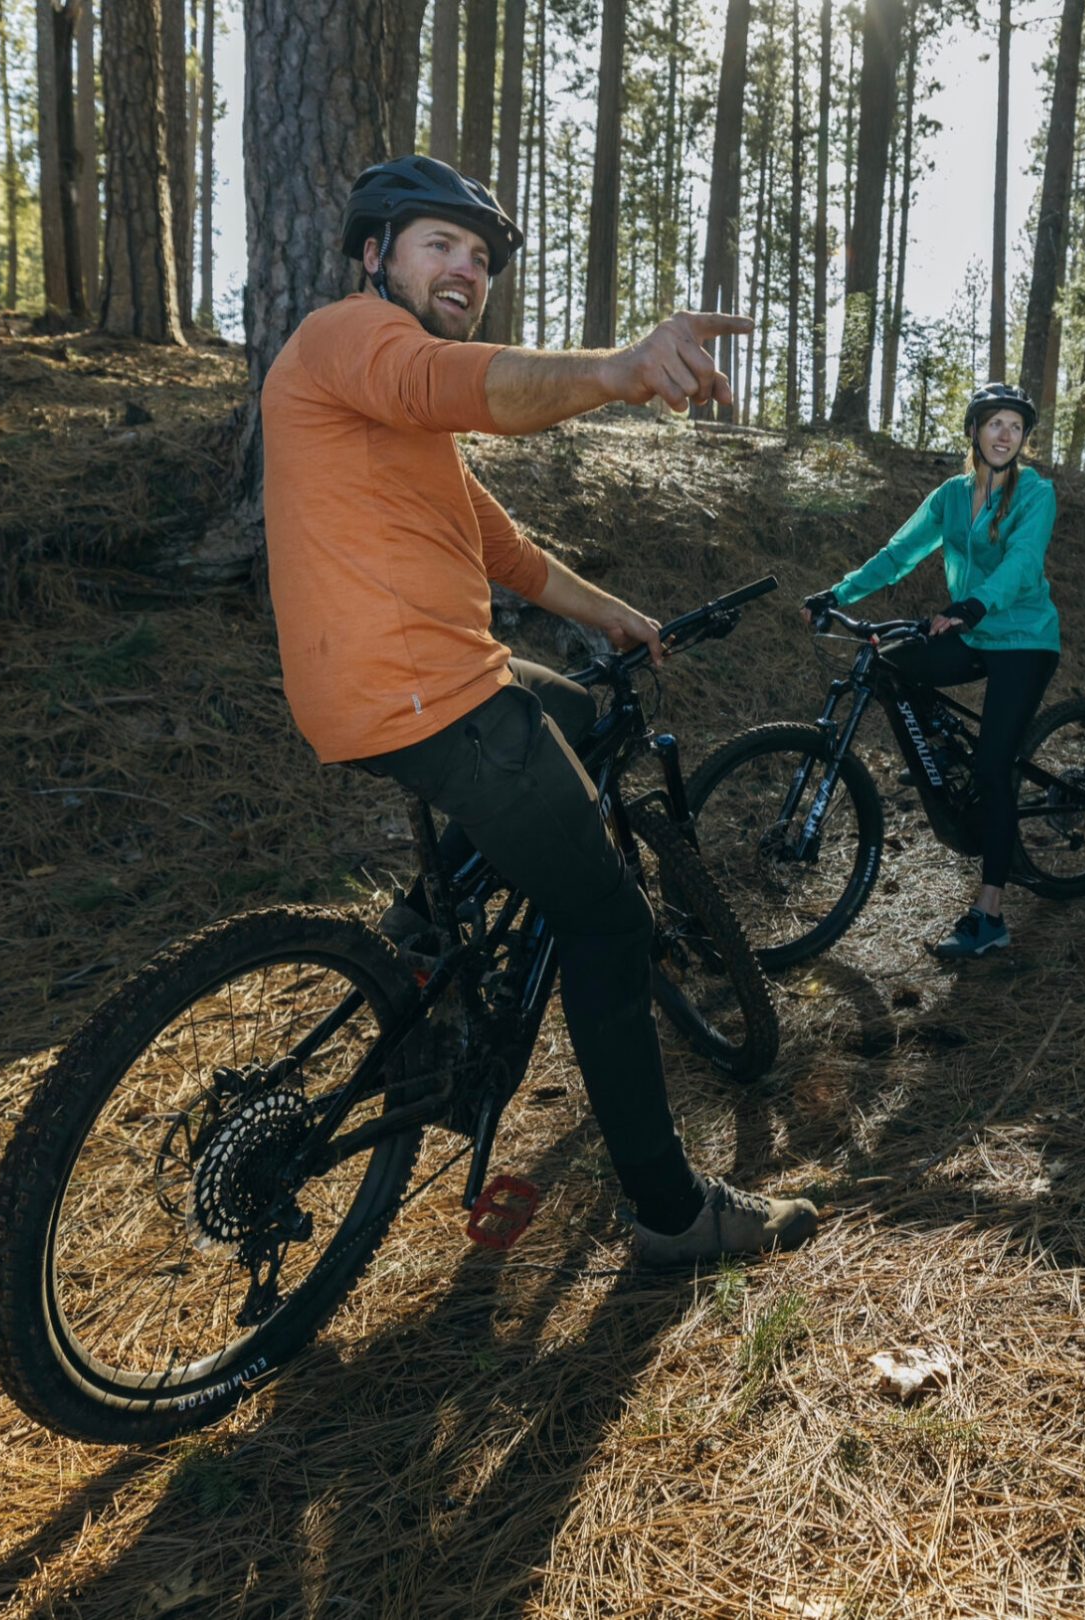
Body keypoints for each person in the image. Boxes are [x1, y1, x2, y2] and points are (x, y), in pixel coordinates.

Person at [260, 154, 816, 1264]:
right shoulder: (353, 342)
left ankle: (421, 952)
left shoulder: (392, 416)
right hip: (431, 695)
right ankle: (667, 1211)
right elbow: (468, 387)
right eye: (438, 245)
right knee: (607, 922)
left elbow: (504, 547)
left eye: (479, 258)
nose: (465, 270)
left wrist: (620, 617)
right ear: (376, 255)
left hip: (410, 686)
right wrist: (620, 368)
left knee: (571, 711)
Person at [803, 382, 1060, 960]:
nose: (1004, 435)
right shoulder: (951, 496)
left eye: (1015, 427)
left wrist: (972, 604)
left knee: (994, 772)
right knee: (889, 661)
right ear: (974, 430)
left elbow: (1022, 563)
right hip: (972, 631)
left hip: (1022, 637)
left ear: (1022, 440)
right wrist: (838, 591)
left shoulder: (1035, 493)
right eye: (994, 423)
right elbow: (900, 554)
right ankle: (941, 751)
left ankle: (990, 916)